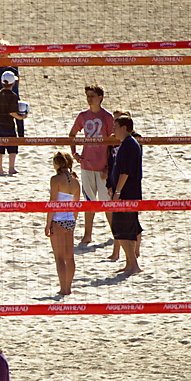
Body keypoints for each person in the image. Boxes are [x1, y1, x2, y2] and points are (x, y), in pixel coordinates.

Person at [69, 83, 114, 245]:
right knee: (89, 203)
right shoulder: (82, 116)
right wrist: (75, 154)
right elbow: (72, 134)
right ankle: (87, 236)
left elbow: (113, 144)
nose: (89, 99)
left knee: (107, 203)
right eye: (87, 95)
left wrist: (109, 167)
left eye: (92, 96)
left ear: (100, 98)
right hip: (87, 165)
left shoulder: (108, 118)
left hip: (103, 167)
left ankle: (116, 233)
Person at [110, 115, 143, 274]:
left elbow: (125, 172)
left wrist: (117, 192)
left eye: (116, 126)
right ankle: (130, 264)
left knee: (122, 228)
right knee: (123, 229)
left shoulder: (130, 144)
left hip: (127, 195)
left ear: (124, 127)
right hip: (125, 193)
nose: (113, 130)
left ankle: (133, 265)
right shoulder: (126, 144)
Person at [45, 151, 81, 296]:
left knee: (59, 257)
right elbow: (76, 205)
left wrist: (48, 223)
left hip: (58, 220)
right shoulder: (76, 181)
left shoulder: (55, 179)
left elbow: (52, 202)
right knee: (69, 257)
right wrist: (73, 221)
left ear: (58, 164)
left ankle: (63, 289)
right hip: (70, 220)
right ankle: (69, 287)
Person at [0, 71, 26, 175]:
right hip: (7, 123)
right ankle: (11, 168)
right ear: (13, 83)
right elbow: (12, 112)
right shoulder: (13, 96)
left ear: (2, 83)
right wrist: (20, 118)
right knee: (12, 144)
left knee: (0, 144)